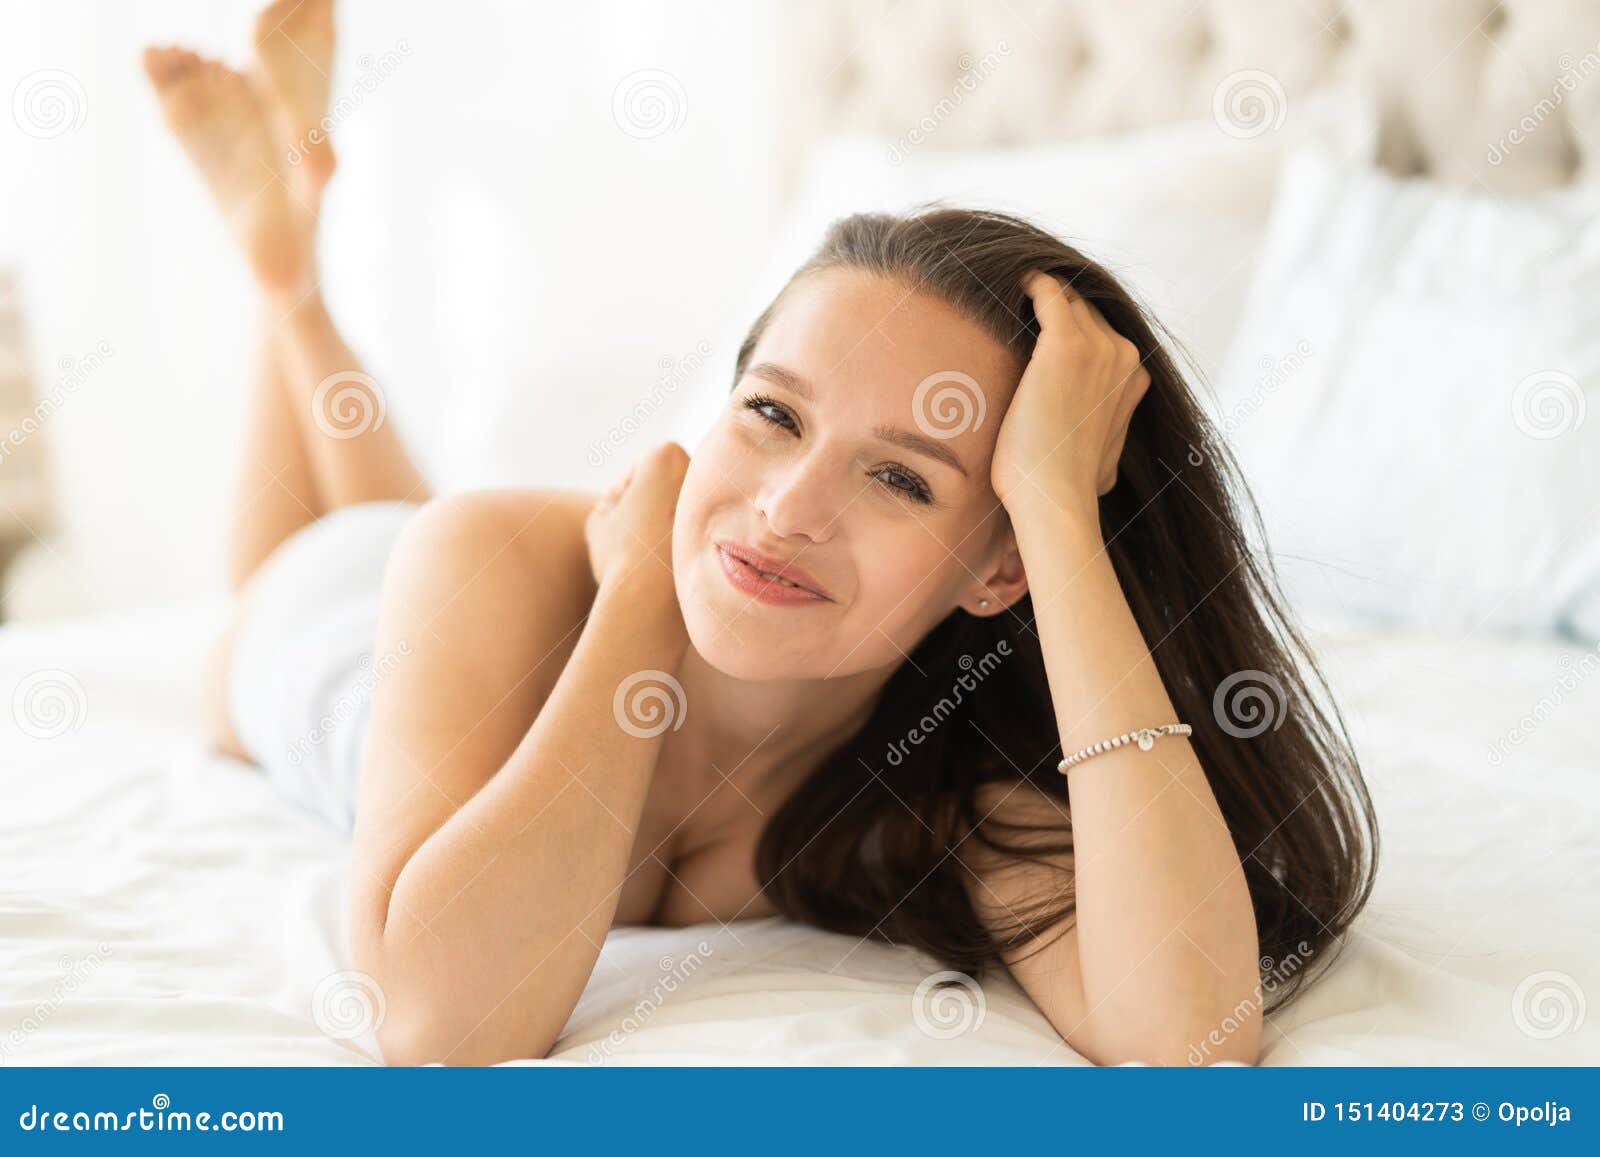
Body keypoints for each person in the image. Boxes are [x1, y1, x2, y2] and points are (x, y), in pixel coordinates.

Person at [145, 0, 1378, 1068]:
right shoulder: (502, 554)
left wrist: (1058, 515)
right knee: (302, 569)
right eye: (773, 413)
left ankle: (289, 264)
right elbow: (433, 1022)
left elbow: (1186, 1037)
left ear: (1000, 565)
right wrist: (634, 596)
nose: (788, 507)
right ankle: (287, 282)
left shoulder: (942, 796)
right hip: (345, 626)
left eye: (900, 477)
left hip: (482, 576)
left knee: (390, 521)